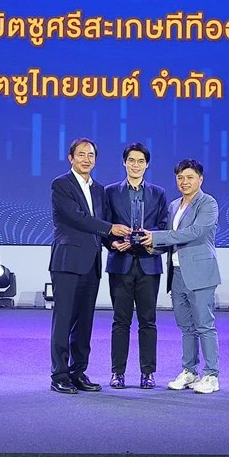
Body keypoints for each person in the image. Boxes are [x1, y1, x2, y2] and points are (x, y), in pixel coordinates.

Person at [49, 138, 131, 395]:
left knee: (84, 322)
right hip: (67, 262)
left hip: (91, 263)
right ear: (71, 158)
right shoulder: (61, 184)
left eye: (91, 155)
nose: (86, 159)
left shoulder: (99, 189)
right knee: (64, 320)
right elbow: (77, 218)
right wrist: (110, 228)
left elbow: (100, 227)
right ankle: (59, 375)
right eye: (81, 154)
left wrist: (112, 243)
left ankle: (78, 371)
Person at [139, 159, 221, 394]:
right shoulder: (174, 205)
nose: (184, 182)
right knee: (186, 327)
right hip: (176, 273)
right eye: (180, 178)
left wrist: (156, 237)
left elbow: (194, 232)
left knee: (204, 326)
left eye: (190, 177)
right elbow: (171, 239)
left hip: (200, 273)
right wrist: (152, 247)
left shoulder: (208, 203)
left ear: (200, 179)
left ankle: (211, 375)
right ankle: (190, 371)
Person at [104, 143, 168, 390]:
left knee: (148, 322)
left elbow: (163, 226)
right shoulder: (110, 192)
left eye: (141, 161)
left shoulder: (158, 193)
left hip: (148, 264)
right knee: (120, 321)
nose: (136, 165)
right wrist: (113, 243)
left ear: (147, 164)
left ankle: (147, 373)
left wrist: (151, 242)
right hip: (120, 263)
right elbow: (104, 226)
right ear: (124, 162)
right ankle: (117, 373)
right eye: (131, 160)